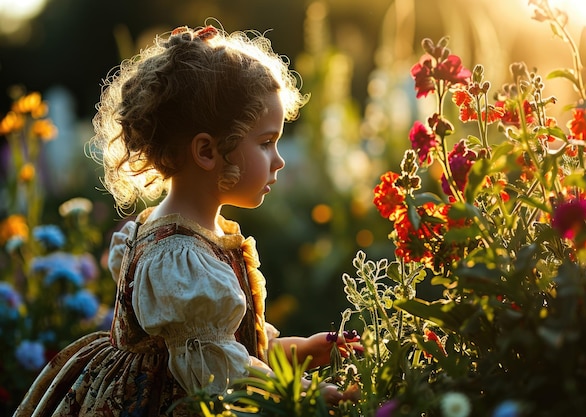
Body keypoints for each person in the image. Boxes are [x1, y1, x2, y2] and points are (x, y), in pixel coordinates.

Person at [13, 21, 359, 416]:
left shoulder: (184, 241)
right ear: (207, 152)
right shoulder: (178, 259)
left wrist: (301, 350)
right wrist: (297, 393)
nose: (279, 161)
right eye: (265, 143)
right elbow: (220, 377)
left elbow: (229, 350)